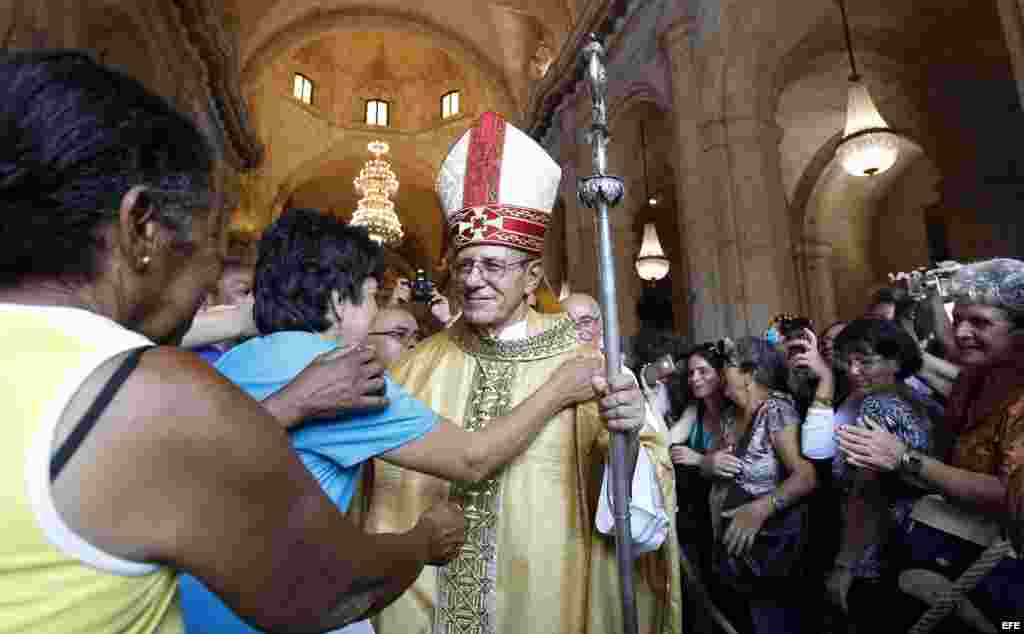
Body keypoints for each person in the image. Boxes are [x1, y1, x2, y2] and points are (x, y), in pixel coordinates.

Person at [0, 51, 466, 634]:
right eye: (211, 250)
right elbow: (328, 590)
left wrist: (286, 399)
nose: (207, 288)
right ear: (142, 226)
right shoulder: (153, 391)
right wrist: (422, 540)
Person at [179, 208, 614, 634]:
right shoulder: (343, 375)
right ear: (337, 301)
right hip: (270, 612)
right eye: (371, 296)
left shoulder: (230, 360)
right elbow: (472, 458)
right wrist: (559, 389)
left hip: (193, 603)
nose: (374, 313)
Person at [365, 112, 682, 634]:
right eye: (464, 264)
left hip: (547, 606)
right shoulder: (417, 370)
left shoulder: (586, 366)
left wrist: (626, 443)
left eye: (493, 265)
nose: (473, 280)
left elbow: (641, 511)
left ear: (533, 274)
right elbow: (383, 505)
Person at [837, 258, 1024, 631]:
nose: (963, 333)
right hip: (968, 555)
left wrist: (905, 458)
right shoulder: (981, 378)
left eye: (981, 322)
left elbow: (1011, 495)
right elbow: (929, 362)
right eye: (960, 322)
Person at [823, 319, 937, 627]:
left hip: (880, 553)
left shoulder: (877, 407)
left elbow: (868, 493)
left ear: (896, 359)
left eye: (865, 361)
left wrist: (844, 566)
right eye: (848, 361)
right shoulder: (920, 397)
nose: (853, 370)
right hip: (919, 547)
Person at [709, 336, 817, 634]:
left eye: (728, 365)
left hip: (772, 555)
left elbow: (805, 476)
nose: (721, 372)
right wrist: (708, 464)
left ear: (750, 373)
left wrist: (759, 509)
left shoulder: (776, 411)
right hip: (736, 557)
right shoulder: (731, 416)